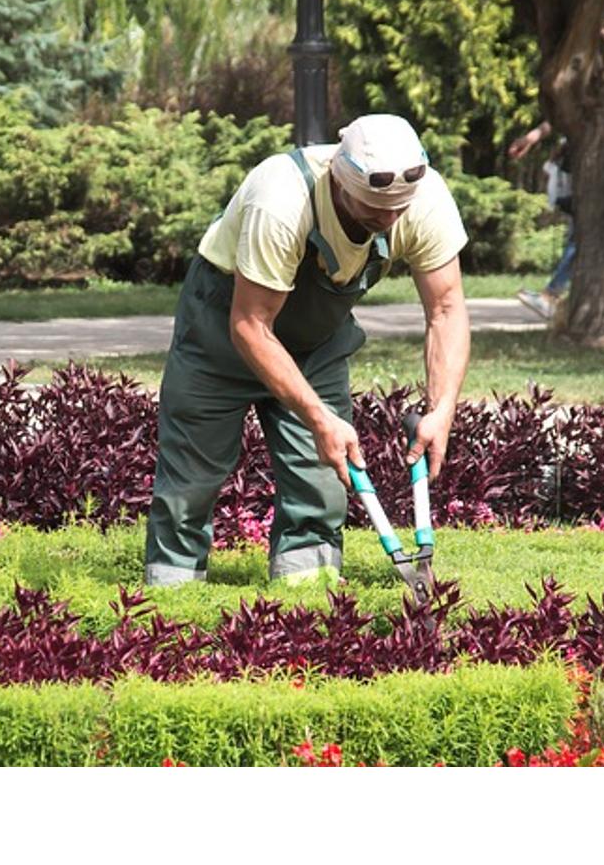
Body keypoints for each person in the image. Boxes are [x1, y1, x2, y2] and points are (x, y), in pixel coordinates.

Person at [144, 114, 470, 587]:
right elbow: (250, 325)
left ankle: (307, 599)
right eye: (376, 208)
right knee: (192, 478)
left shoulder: (423, 198)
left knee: (322, 482)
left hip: (316, 341)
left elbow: (446, 309)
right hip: (223, 330)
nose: (390, 219)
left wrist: (442, 410)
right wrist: (318, 417)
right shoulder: (281, 199)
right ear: (340, 180)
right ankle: (172, 598)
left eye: (399, 209)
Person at [510, 0, 604, 320]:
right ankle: (558, 295)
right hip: (590, 152)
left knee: (588, 227)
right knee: (584, 223)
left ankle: (554, 294)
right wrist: (534, 136)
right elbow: (575, 106)